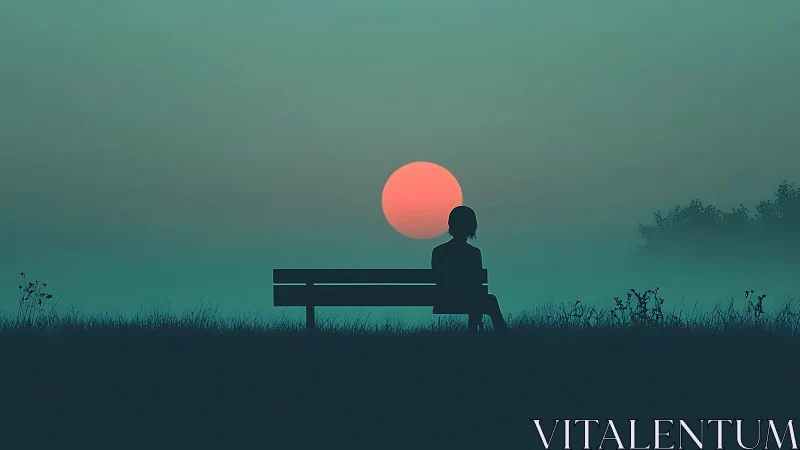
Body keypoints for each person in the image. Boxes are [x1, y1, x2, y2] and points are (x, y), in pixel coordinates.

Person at [431, 205, 507, 332]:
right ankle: (503, 336)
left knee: (478, 297)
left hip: (444, 300)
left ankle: (474, 331)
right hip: (466, 299)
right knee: (488, 299)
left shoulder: (438, 251)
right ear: (472, 226)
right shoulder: (473, 253)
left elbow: (438, 278)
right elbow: (477, 284)